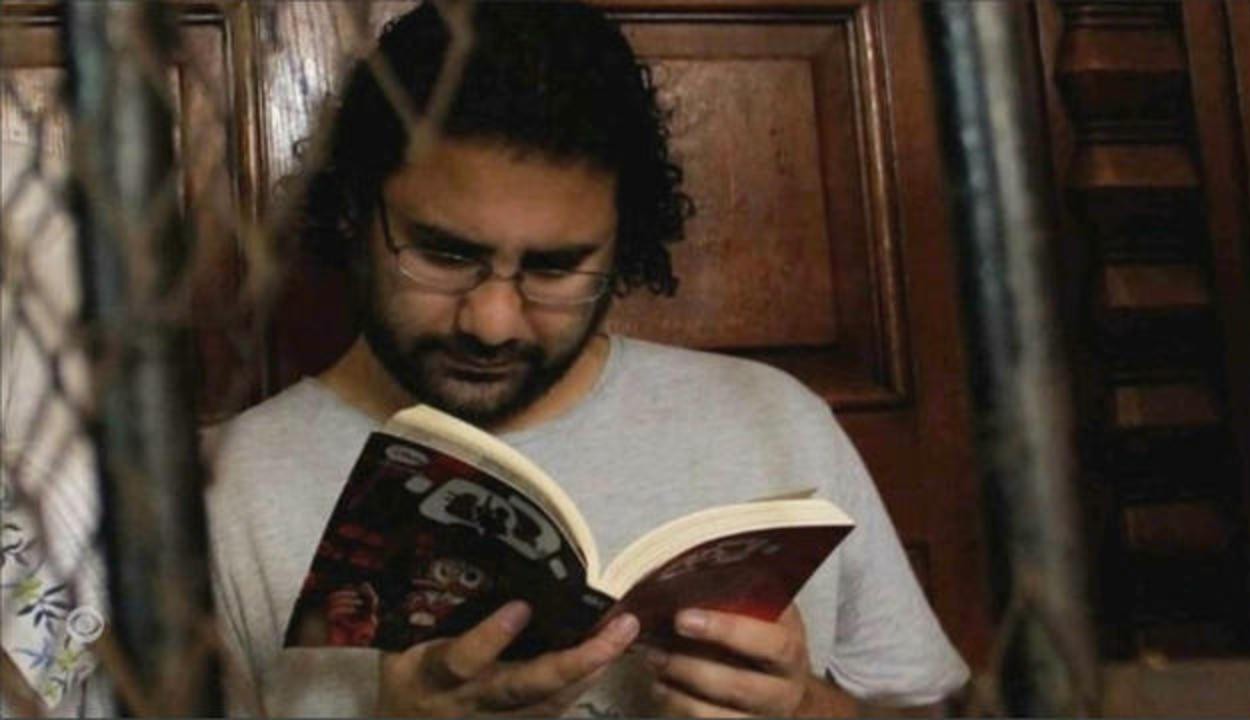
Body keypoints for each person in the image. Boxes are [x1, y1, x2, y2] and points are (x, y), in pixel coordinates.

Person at [204, 1, 969, 716]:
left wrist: (807, 710)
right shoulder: (226, 488)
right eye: (443, 254)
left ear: (622, 244)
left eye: (554, 268)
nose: (493, 322)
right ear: (352, 211)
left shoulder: (777, 421)